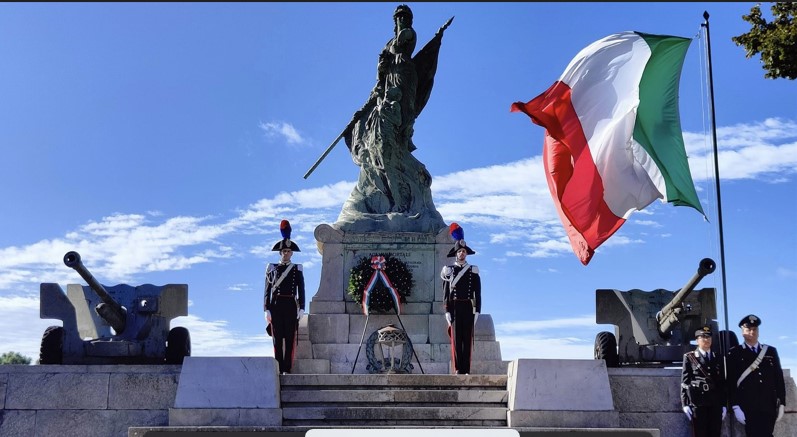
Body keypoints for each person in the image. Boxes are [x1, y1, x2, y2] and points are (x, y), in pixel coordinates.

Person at [335, 4, 452, 233]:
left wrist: (387, 56)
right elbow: (378, 84)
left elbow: (401, 42)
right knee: (375, 132)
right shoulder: (389, 53)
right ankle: (385, 181)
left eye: (402, 17)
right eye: (397, 17)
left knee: (401, 121)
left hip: (404, 79)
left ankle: (402, 152)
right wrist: (361, 110)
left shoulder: (406, 35)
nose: (399, 20)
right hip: (389, 83)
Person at [725, 314, 786, 436]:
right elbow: (731, 382)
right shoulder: (734, 353)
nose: (752, 332)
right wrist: (735, 406)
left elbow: (778, 378)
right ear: (743, 332)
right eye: (748, 329)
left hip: (769, 404)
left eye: (754, 329)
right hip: (748, 405)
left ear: (758, 332)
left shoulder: (770, 351)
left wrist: (782, 403)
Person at [263, 220, 305, 375]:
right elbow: (267, 290)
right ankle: (278, 368)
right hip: (276, 305)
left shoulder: (296, 269)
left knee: (289, 339)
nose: (286, 253)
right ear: (280, 253)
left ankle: (287, 368)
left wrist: (302, 307)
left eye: (288, 251)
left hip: (290, 306)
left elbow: (301, 288)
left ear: (292, 253)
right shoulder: (272, 268)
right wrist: (266, 309)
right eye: (284, 251)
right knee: (277, 339)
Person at [441, 223, 481, 375]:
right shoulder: (448, 271)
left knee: (466, 339)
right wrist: (446, 310)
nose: (462, 254)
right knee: (457, 340)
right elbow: (446, 292)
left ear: (466, 253)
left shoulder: (473, 270)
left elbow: (478, 292)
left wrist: (477, 311)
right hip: (455, 307)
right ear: (456, 254)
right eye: (460, 252)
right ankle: (458, 368)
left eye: (464, 251)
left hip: (468, 307)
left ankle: (466, 369)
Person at [680, 325, 727, 437]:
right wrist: (685, 403)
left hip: (715, 402)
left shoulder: (718, 357)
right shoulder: (690, 357)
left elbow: (722, 382)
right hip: (698, 402)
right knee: (700, 433)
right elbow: (685, 381)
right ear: (697, 340)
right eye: (703, 337)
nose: (706, 340)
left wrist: (724, 404)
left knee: (715, 432)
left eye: (709, 337)